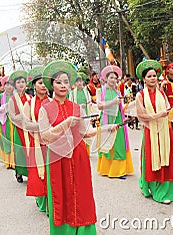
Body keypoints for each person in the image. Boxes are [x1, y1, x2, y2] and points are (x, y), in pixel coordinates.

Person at [38, 60, 118, 235]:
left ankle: (84, 230)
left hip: (79, 155)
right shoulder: (46, 108)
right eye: (58, 81)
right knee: (62, 194)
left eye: (66, 81)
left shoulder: (75, 107)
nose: (63, 85)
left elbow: (85, 132)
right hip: (57, 158)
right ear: (51, 84)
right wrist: (65, 124)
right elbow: (45, 136)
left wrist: (105, 128)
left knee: (82, 194)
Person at [135, 59, 173, 204]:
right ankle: (157, 192)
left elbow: (168, 109)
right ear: (143, 79)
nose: (152, 79)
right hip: (151, 131)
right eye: (149, 76)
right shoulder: (141, 95)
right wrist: (157, 116)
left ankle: (170, 190)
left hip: (165, 129)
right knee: (153, 158)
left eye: (154, 76)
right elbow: (140, 115)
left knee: (167, 157)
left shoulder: (162, 93)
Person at [95, 65, 134, 179]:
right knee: (107, 142)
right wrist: (112, 102)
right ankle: (107, 168)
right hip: (106, 120)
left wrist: (130, 110)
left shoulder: (118, 92)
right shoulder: (100, 91)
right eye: (111, 78)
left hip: (118, 119)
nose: (113, 80)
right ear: (106, 79)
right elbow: (99, 106)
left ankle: (119, 169)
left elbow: (121, 107)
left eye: (115, 78)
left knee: (119, 143)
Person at [22, 66, 50, 213]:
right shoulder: (29, 104)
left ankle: (52, 201)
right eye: (40, 83)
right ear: (34, 85)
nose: (43, 86)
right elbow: (26, 123)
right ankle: (42, 201)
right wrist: (41, 127)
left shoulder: (52, 101)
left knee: (52, 172)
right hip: (37, 142)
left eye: (45, 83)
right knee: (40, 172)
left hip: (51, 142)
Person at [8, 70, 31, 183]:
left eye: (23, 81)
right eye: (18, 82)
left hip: (29, 129)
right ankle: (19, 172)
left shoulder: (30, 97)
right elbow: (12, 116)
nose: (21, 84)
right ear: (15, 86)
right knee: (20, 151)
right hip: (19, 129)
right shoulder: (12, 100)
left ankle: (31, 172)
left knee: (30, 150)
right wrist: (23, 116)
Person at [0, 76, 16, 169]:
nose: (9, 87)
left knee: (14, 141)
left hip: (14, 122)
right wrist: (5, 108)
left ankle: (14, 162)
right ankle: (8, 162)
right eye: (7, 84)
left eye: (11, 84)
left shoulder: (16, 97)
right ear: (4, 86)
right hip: (4, 121)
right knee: (6, 141)